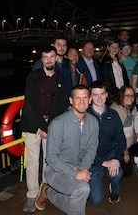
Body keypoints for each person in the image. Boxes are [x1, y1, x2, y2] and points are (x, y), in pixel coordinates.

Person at [37, 84, 99, 215]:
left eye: (85, 98)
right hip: (55, 170)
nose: (81, 102)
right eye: (77, 98)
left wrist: (82, 169)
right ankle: (49, 189)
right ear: (71, 100)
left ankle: (47, 192)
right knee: (83, 189)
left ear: (90, 100)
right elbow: (51, 158)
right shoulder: (58, 124)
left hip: (79, 168)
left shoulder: (93, 122)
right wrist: (74, 173)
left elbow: (91, 150)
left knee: (79, 197)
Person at [20, 45, 68, 212]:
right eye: (45, 57)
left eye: (51, 56)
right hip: (33, 124)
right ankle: (31, 195)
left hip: (52, 126)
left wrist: (49, 127)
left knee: (49, 162)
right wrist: (42, 126)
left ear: (56, 58)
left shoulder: (61, 79)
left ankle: (44, 191)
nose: (49, 60)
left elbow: (60, 107)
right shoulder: (32, 77)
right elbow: (30, 105)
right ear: (41, 59)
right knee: (33, 162)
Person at [87, 81, 126, 205]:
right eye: (95, 95)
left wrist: (116, 158)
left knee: (116, 174)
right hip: (92, 160)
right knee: (96, 201)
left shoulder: (113, 114)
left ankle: (114, 189)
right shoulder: (84, 116)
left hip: (110, 154)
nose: (99, 98)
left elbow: (121, 139)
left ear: (107, 95)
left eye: (102, 94)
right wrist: (102, 162)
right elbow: (82, 148)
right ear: (90, 97)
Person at [33, 36, 73, 106]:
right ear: (52, 45)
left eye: (64, 45)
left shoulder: (69, 63)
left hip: (69, 106)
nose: (62, 47)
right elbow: (35, 88)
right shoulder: (41, 64)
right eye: (59, 44)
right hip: (51, 108)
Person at [110, 85, 137, 177]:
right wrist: (124, 151)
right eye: (127, 95)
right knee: (126, 173)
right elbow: (115, 133)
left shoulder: (126, 107)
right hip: (118, 148)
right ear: (121, 95)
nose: (130, 97)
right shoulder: (118, 110)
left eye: (132, 95)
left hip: (128, 145)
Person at [99, 40, 129, 105]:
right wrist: (118, 93)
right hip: (112, 96)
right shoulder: (104, 62)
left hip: (122, 93)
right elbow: (106, 81)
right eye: (113, 47)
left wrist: (125, 90)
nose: (115, 49)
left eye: (117, 47)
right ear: (108, 48)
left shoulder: (119, 61)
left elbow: (125, 77)